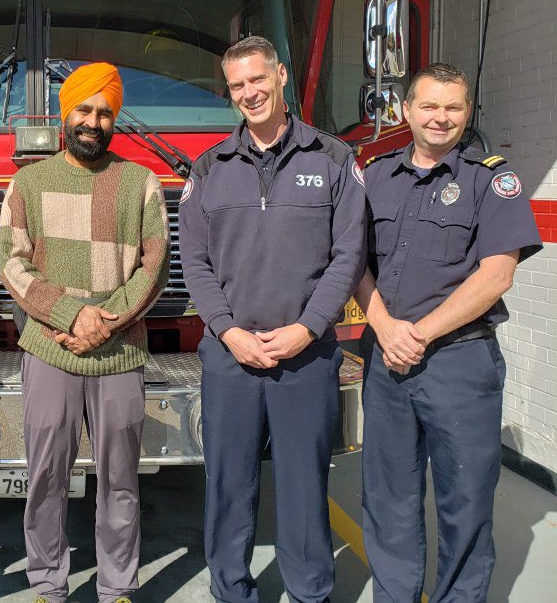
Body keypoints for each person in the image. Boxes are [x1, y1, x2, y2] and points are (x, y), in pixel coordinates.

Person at [179, 36, 366, 602]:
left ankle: (310, 589)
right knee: (228, 483)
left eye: (257, 80)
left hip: (305, 357)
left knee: (304, 485)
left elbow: (348, 255)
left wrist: (307, 328)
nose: (249, 93)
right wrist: (230, 332)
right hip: (230, 357)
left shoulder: (333, 159)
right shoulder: (210, 167)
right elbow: (195, 260)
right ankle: (231, 588)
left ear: (281, 76)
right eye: (237, 86)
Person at [355, 63, 541, 602]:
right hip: (386, 361)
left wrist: (418, 334)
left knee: (465, 501)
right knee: (388, 497)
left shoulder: (490, 180)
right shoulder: (377, 176)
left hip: (459, 363)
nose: (441, 118)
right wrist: (387, 328)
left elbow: (497, 274)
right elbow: (354, 263)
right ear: (406, 111)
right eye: (429, 106)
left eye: (453, 107)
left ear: (466, 113)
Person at [0, 62, 170, 603]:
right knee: (46, 476)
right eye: (84, 109)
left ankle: (117, 584)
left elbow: (155, 265)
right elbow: (13, 263)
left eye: (104, 112)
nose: (93, 121)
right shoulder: (28, 182)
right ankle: (48, 583)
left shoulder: (140, 183)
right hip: (50, 349)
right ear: (64, 114)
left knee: (121, 480)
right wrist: (73, 317)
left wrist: (105, 323)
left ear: (113, 119)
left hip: (120, 351)